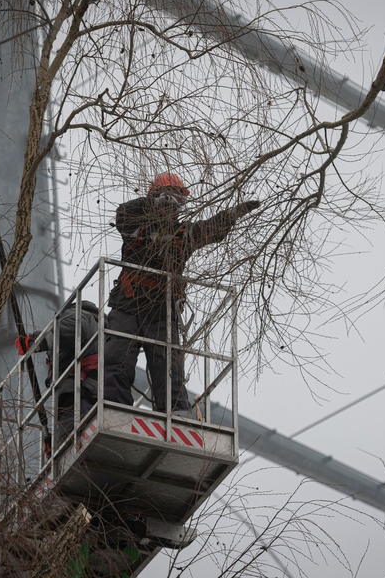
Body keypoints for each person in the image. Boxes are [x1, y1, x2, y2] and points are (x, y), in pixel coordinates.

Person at [103, 172, 260, 414]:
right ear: (154, 197)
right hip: (129, 303)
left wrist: (231, 215)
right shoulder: (136, 226)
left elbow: (210, 230)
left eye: (177, 200)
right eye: (167, 197)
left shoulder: (183, 234)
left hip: (162, 310)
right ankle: (114, 410)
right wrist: (151, 203)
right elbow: (123, 213)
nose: (172, 205)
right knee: (117, 360)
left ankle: (175, 414)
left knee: (168, 368)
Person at [27, 301, 103, 445]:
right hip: (93, 394)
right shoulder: (105, 331)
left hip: (79, 393)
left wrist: (36, 342)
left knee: (70, 445)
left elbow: (74, 328)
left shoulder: (76, 313)